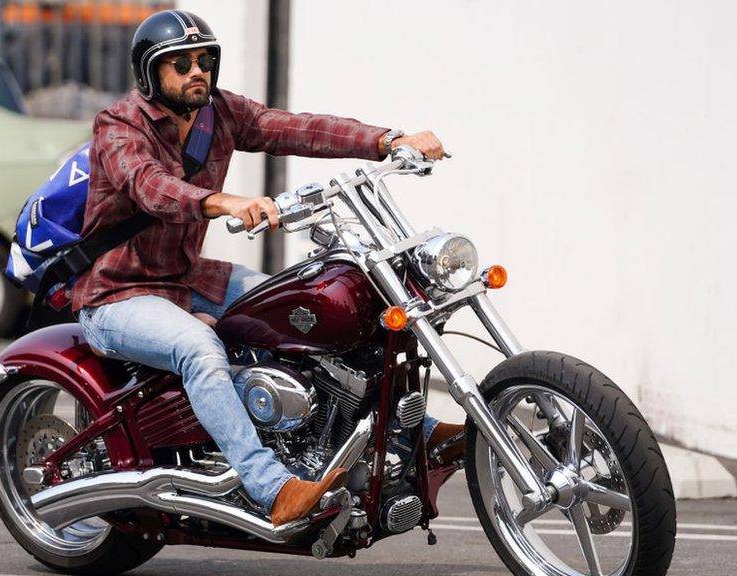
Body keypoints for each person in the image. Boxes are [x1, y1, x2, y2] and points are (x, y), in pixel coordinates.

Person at [73, 9, 464, 527]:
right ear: (150, 74)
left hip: (188, 279)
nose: (197, 72)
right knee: (198, 348)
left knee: (301, 309)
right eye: (180, 64)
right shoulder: (119, 125)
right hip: (118, 293)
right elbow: (149, 186)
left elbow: (299, 128)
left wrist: (389, 140)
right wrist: (225, 202)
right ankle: (271, 487)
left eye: (204, 60)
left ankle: (412, 426)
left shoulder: (220, 114)